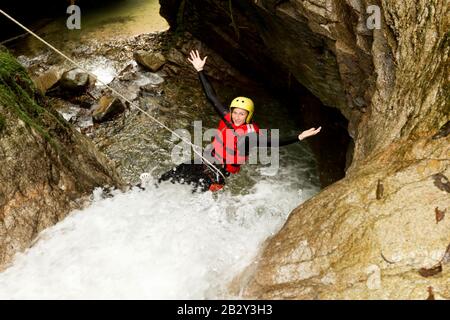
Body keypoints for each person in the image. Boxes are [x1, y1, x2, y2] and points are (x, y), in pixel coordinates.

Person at [144, 50, 321, 192]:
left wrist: (299, 136)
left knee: (189, 191)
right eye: (235, 113)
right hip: (206, 159)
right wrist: (200, 70)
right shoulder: (227, 119)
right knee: (174, 173)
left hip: (218, 172)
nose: (237, 117)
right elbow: (212, 97)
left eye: (241, 114)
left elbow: (273, 142)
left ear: (248, 116)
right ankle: (148, 189)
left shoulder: (250, 136)